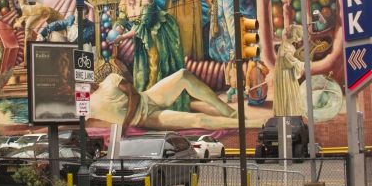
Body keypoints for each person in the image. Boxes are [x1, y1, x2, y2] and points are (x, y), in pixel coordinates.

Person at [112, 0, 188, 110]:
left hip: (158, 36)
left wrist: (122, 38)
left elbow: (144, 24)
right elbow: (121, 22)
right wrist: (115, 33)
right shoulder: (123, 3)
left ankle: (159, 103)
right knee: (142, 69)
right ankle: (146, 101)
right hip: (142, 39)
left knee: (156, 66)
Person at [90, 69, 251, 131]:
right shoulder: (86, 105)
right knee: (197, 119)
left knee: (183, 75)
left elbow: (135, 95)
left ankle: (229, 112)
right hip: (147, 118)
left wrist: (125, 123)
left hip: (148, 97)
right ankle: (253, 124)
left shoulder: (110, 79)